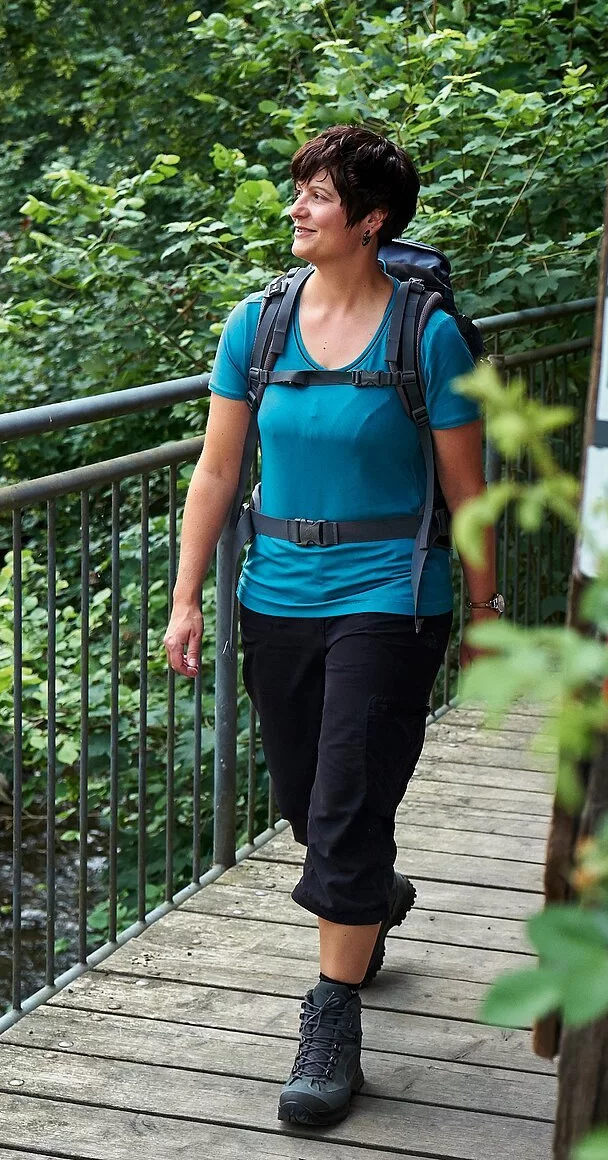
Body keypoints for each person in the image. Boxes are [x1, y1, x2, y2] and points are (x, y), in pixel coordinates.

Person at [164, 124, 502, 1129]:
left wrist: (486, 609)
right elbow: (218, 471)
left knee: (348, 800)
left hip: (388, 603)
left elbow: (467, 487)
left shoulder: (426, 334)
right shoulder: (256, 327)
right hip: (276, 596)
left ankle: (331, 1018)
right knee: (310, 806)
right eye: (298, 190)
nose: (297, 208)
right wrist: (187, 597)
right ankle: (370, 889)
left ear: (372, 219)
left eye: (318, 194)